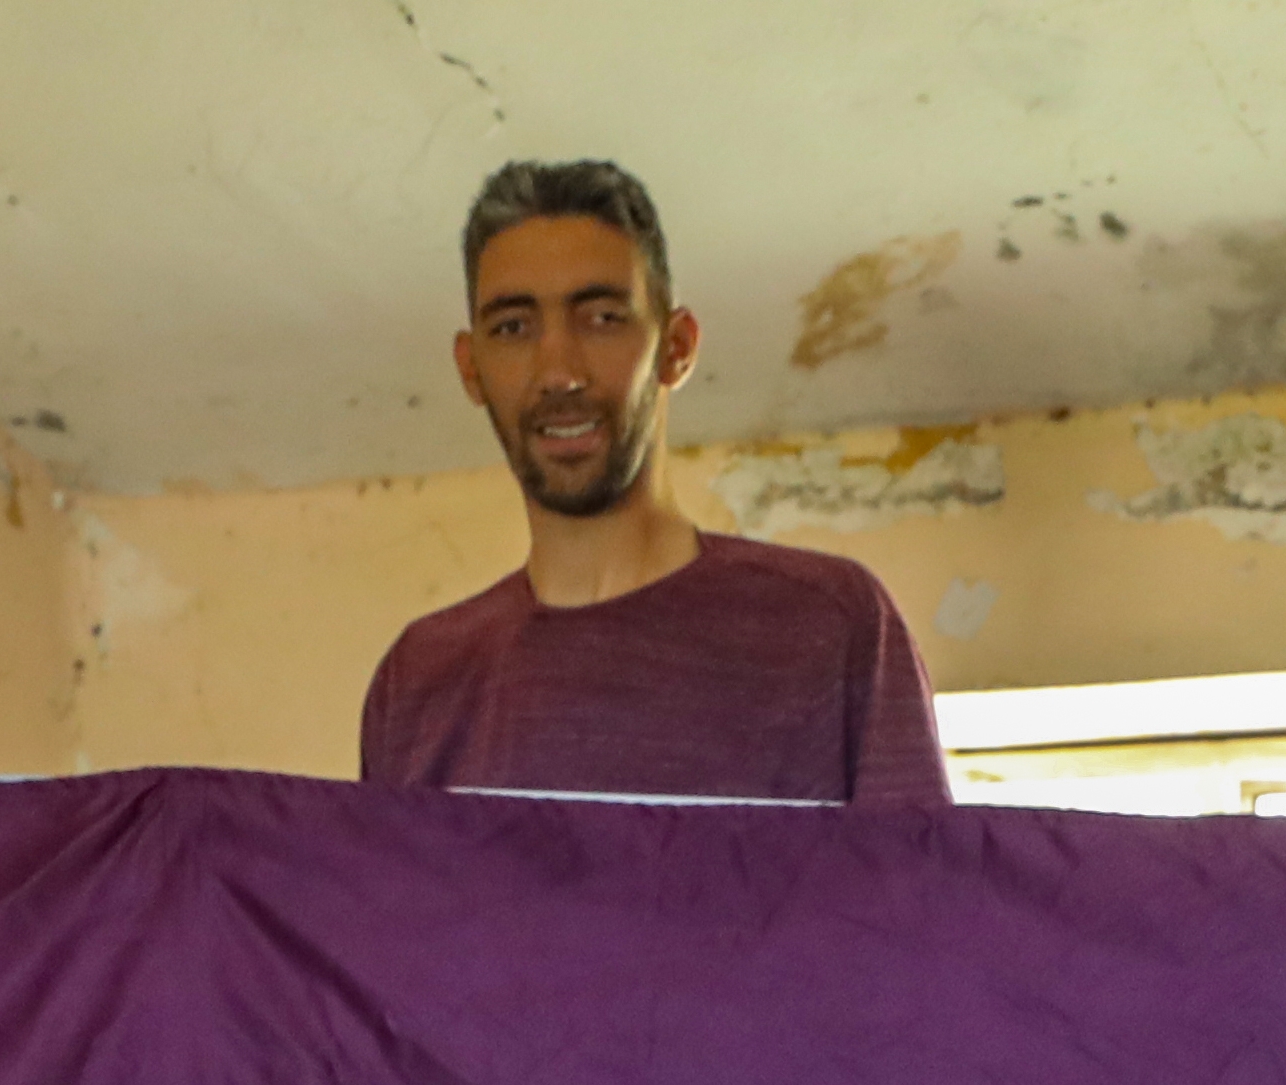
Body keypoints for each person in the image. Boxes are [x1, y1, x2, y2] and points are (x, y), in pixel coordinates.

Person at [359, 160, 953, 808]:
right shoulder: (418, 681)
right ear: (471, 368)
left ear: (677, 346)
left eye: (603, 318)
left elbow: (917, 904)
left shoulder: (832, 627)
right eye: (513, 328)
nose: (558, 371)